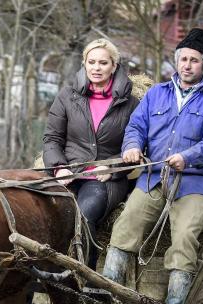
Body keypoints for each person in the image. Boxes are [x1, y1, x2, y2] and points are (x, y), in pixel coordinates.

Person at [101, 28, 203, 304]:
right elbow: (136, 127)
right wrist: (132, 147)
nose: (187, 65)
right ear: (177, 61)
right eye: (183, 59)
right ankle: (107, 293)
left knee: (184, 236)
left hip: (195, 183)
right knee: (126, 224)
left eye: (194, 60)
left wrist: (188, 156)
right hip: (153, 178)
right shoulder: (156, 94)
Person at [43, 38, 140, 270]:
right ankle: (28, 288)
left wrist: (113, 167)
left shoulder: (130, 104)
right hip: (68, 173)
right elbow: (52, 138)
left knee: (83, 216)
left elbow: (136, 148)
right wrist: (59, 167)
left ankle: (84, 280)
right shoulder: (67, 96)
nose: (97, 68)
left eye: (103, 63)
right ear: (84, 63)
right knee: (37, 215)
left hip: (104, 179)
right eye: (92, 62)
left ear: (114, 66)